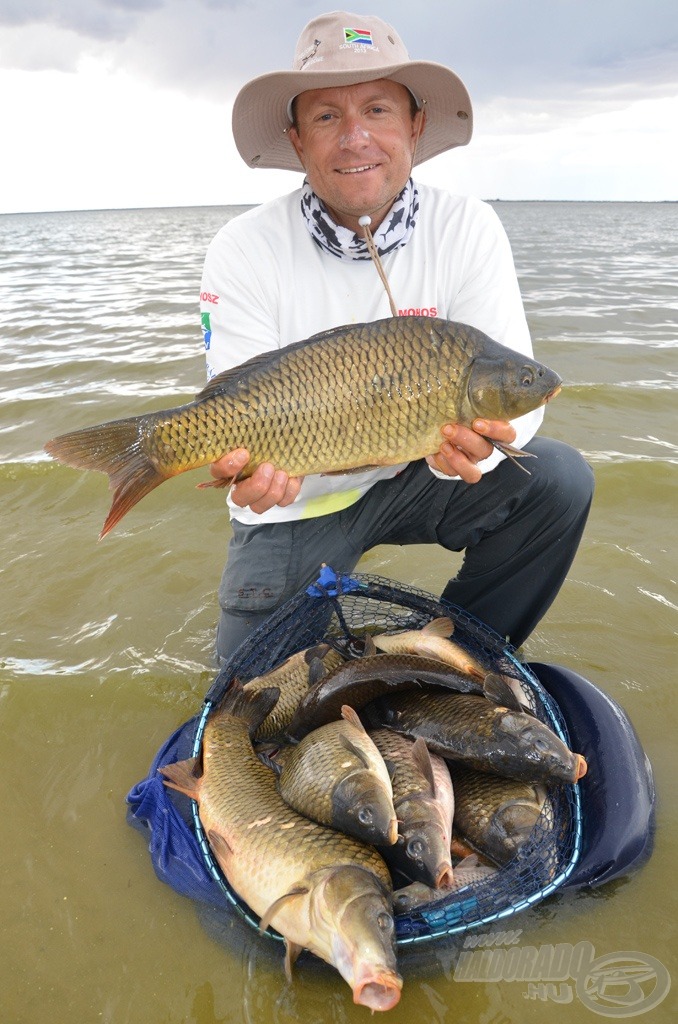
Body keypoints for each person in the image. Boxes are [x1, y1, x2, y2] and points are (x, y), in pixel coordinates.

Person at [200, 11, 594, 663]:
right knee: (248, 707)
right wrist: (245, 473)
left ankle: (454, 660)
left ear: (414, 124)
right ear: (297, 139)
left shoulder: (468, 227)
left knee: (558, 479)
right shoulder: (243, 248)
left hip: (423, 472)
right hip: (297, 500)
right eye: (327, 116)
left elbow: (522, 395)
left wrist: (489, 446)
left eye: (377, 109)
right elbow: (234, 406)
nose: (355, 138)